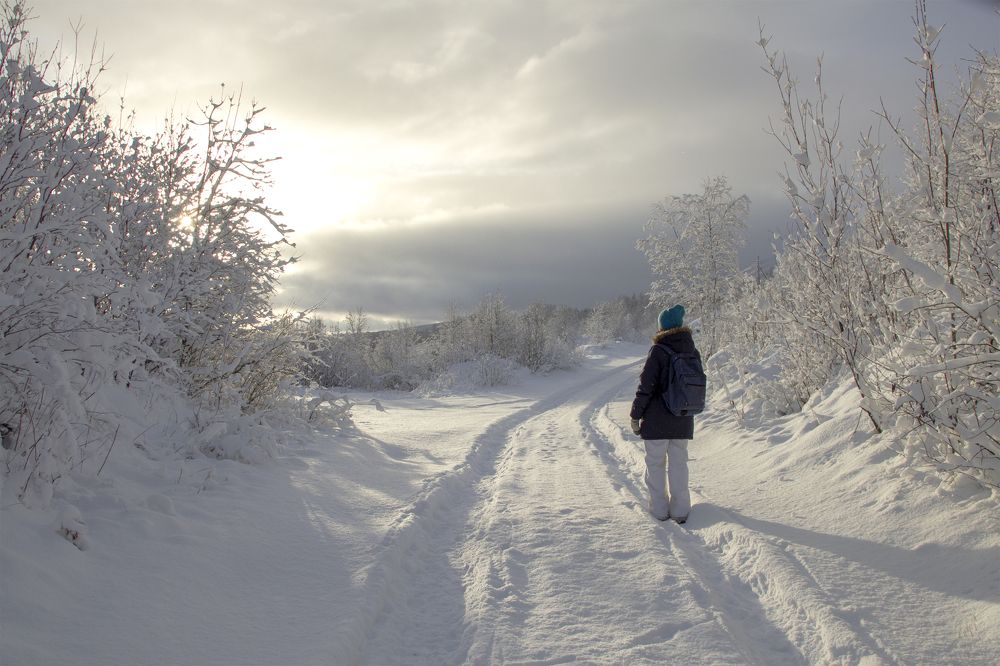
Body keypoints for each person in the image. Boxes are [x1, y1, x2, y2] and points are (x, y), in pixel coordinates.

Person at [629, 304, 699, 523]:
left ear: (662, 327)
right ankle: (681, 511)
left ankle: (659, 510)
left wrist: (635, 415)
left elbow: (646, 386)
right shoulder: (692, 350)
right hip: (683, 418)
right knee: (679, 465)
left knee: (656, 465)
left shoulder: (658, 351)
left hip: (657, 421)